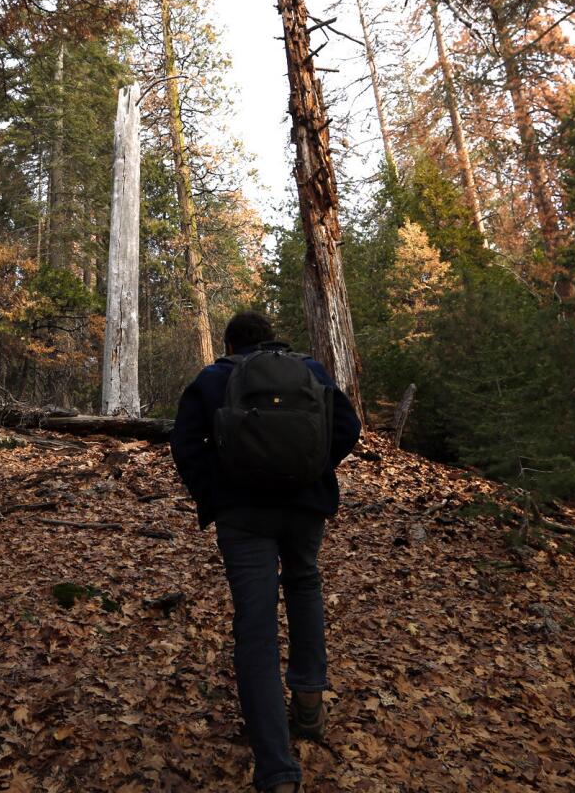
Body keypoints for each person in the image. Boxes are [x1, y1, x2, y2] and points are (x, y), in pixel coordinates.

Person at [170, 312, 362, 793]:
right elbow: (347, 426)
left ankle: (276, 770)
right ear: (273, 339)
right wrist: (313, 469)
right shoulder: (310, 370)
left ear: (231, 343)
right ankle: (309, 705)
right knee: (304, 586)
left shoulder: (216, 377)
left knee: (254, 630)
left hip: (243, 517)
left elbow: (185, 443)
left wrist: (213, 492)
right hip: (305, 509)